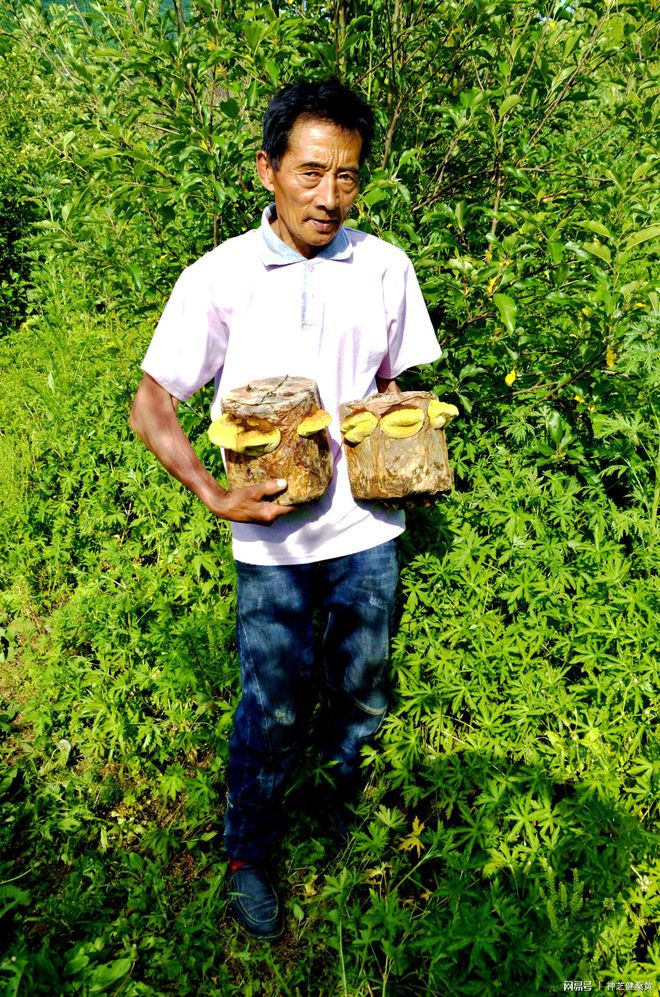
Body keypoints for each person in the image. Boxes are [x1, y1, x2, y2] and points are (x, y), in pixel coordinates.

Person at [130, 79, 440, 940]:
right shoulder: (223, 274)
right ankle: (250, 852)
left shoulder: (384, 266)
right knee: (268, 707)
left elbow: (394, 384)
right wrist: (212, 491)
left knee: (361, 691)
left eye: (346, 177)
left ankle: (342, 814)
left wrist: (397, 424)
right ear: (268, 169)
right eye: (310, 173)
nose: (329, 196)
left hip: (368, 534)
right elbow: (153, 401)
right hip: (270, 542)